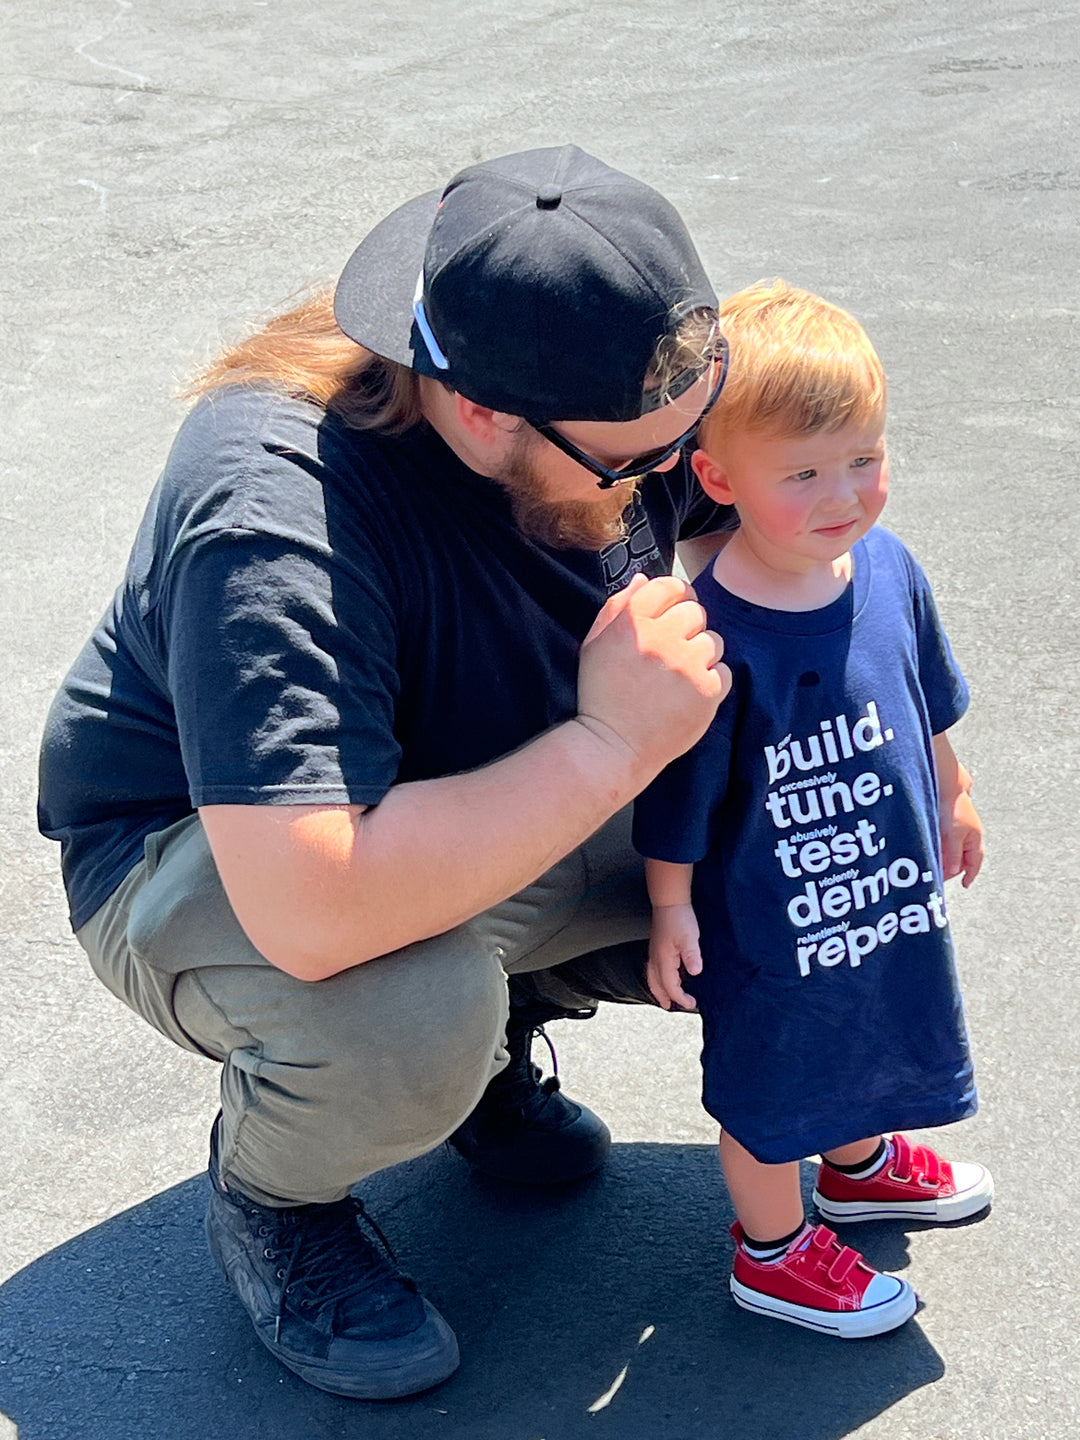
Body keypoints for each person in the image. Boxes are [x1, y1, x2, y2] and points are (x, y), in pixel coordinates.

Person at [37, 146, 734, 1398]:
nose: (667, 485)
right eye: (631, 469)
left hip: (487, 779)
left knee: (804, 814)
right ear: (480, 412)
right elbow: (311, 908)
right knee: (402, 1017)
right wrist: (614, 745)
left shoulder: (590, 377)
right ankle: (282, 1194)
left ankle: (495, 1038)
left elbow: (789, 530)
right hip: (213, 867)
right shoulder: (272, 510)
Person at [633, 280, 993, 1340]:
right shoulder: (713, 632)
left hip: (881, 894)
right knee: (775, 1077)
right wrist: (670, 909)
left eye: (864, 459)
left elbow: (927, 697)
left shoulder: (887, 568)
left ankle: (857, 1168)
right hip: (768, 920)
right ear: (718, 476)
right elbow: (677, 789)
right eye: (803, 472)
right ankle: (773, 1251)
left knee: (876, 1025)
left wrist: (955, 794)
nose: (844, 495)